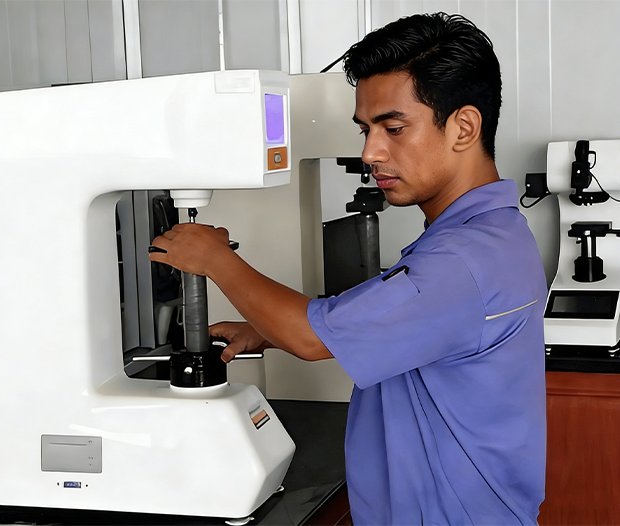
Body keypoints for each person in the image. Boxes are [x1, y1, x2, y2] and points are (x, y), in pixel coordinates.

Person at [150, 12, 547, 525]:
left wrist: (214, 259)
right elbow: (407, 325)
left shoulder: (462, 261)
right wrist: (266, 331)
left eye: (393, 128)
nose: (369, 152)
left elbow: (311, 339)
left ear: (464, 127)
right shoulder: (493, 233)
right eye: (365, 130)